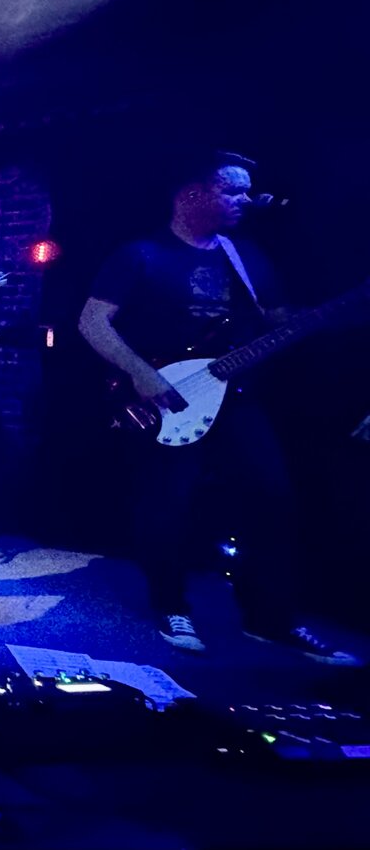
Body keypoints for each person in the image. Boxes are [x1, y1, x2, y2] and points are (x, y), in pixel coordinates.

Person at [78, 151, 358, 663]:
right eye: (233, 190)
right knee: (167, 505)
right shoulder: (140, 255)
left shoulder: (247, 257)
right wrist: (141, 371)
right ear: (192, 194)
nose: (246, 200)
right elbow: (93, 322)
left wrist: (328, 316)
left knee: (272, 498)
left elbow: (277, 318)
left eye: (248, 190)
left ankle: (270, 617)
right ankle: (171, 606)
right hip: (169, 395)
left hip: (235, 396)